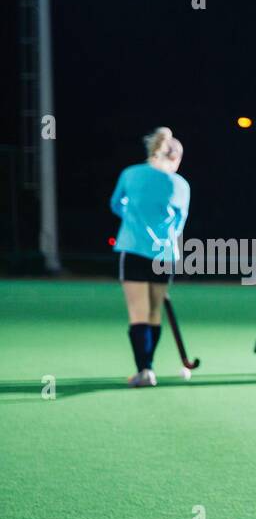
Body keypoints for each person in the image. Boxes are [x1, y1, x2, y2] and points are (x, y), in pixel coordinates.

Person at [109, 127, 190, 387]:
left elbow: (115, 204)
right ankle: (148, 367)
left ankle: (145, 369)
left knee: (138, 313)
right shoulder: (180, 185)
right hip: (164, 255)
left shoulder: (130, 174)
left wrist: (132, 216)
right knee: (155, 313)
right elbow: (179, 223)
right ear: (175, 159)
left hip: (132, 249)